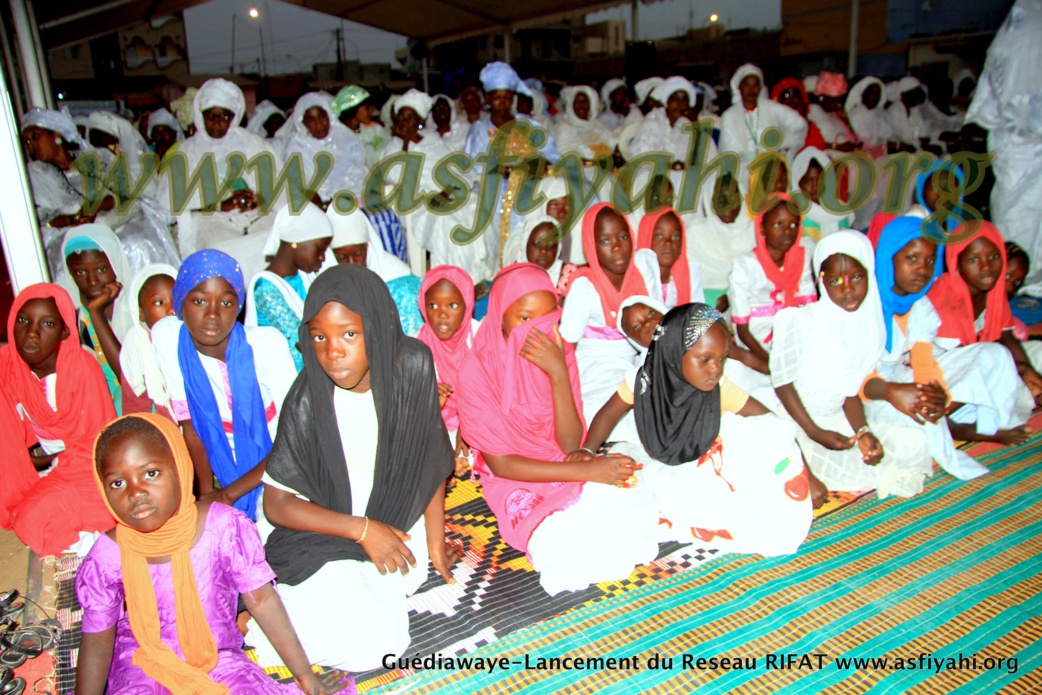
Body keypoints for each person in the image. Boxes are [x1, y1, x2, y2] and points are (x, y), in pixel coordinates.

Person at [252, 265, 458, 670]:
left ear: (376, 327)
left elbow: (430, 457)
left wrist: (436, 543)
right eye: (319, 337)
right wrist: (362, 530)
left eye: (349, 334)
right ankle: (262, 620)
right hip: (326, 522)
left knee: (393, 609)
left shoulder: (412, 365)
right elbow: (276, 504)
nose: (333, 352)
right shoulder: (308, 396)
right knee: (369, 637)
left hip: (397, 511)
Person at [76, 413, 351, 695]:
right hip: (143, 662)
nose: (136, 493)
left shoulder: (222, 528)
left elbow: (263, 600)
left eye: (151, 473)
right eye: (118, 483)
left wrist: (305, 677)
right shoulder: (108, 554)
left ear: (180, 467)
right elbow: (97, 636)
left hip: (217, 659)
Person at [456, 263, 659, 595]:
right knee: (559, 543)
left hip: (560, 458)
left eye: (547, 316)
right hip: (512, 475)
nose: (536, 329)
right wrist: (587, 472)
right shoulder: (476, 371)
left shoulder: (557, 350)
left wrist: (558, 373)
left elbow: (569, 444)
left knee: (635, 509)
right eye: (524, 317)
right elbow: (501, 464)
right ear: (500, 317)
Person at [584, 303, 814, 552]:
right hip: (666, 465)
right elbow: (608, 414)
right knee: (631, 505)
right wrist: (587, 451)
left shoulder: (717, 386)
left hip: (713, 462)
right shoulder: (643, 381)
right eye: (705, 360)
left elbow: (772, 424)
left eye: (722, 359)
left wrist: (807, 475)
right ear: (674, 353)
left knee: (754, 440)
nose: (716, 368)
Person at [771, 231, 931, 498]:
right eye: (835, 281)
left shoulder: (867, 327)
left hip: (836, 420)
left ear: (869, 274)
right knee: (828, 468)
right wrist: (815, 432)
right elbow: (782, 385)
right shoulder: (799, 321)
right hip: (795, 422)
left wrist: (863, 432)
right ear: (821, 281)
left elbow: (849, 390)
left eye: (856, 277)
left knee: (914, 442)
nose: (847, 290)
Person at [865, 217, 1021, 482]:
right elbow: (852, 379)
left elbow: (924, 363)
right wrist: (893, 391)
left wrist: (938, 395)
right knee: (912, 444)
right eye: (912, 258)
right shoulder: (865, 307)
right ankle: (959, 429)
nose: (922, 269)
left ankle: (975, 424)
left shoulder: (921, 307)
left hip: (907, 382)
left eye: (929, 261)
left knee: (995, 354)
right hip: (873, 394)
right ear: (889, 257)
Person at [151, 250, 295, 522]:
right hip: (219, 469)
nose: (213, 315)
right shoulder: (168, 338)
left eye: (226, 303)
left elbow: (294, 438)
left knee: (273, 523)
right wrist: (206, 496)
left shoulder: (266, 345)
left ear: (238, 307)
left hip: (279, 462)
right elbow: (191, 426)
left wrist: (227, 495)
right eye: (199, 301)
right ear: (180, 302)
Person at [0, 284, 116, 556]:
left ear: (65, 332)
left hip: (90, 468)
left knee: (32, 518)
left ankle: (101, 547)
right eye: (23, 320)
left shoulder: (82, 369)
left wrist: (51, 465)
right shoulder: (10, 367)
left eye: (47, 324)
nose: (31, 332)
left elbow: (96, 448)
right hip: (54, 465)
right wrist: (30, 466)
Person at [21, 107, 179, 282]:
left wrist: (95, 208)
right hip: (69, 233)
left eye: (35, 136)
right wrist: (71, 219)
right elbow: (37, 220)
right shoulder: (32, 176)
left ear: (56, 135)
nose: (31, 145)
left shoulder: (99, 158)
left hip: (114, 219)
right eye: (26, 141)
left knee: (138, 242)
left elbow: (124, 194)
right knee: (96, 254)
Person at [162, 79, 283, 281]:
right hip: (212, 217)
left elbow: (278, 185)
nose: (217, 122)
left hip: (255, 214)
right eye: (211, 116)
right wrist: (220, 204)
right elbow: (172, 202)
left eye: (224, 117)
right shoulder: (188, 151)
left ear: (234, 117)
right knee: (219, 250)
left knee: (276, 240)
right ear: (201, 115)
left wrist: (260, 198)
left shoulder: (253, 143)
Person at [928, 221, 1039, 432]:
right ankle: (939, 418)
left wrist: (1028, 371)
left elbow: (1006, 334)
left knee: (1035, 352)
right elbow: (963, 357)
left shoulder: (994, 292)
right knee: (994, 356)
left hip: (977, 363)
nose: (987, 267)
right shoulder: (944, 296)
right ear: (956, 263)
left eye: (994, 257)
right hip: (935, 374)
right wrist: (1019, 370)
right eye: (973, 260)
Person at [966, 1, 1042, 291]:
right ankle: (1009, 273)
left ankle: (1028, 272)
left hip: (1029, 145)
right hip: (1014, 144)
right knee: (1015, 209)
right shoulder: (1016, 40)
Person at [560, 204, 660, 421]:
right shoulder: (584, 287)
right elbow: (567, 347)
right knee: (614, 407)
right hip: (595, 367)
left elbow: (660, 320)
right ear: (591, 245)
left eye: (623, 237)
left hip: (638, 359)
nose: (617, 247)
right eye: (605, 241)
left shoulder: (643, 272)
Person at [465, 62, 561, 271]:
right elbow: (473, 167)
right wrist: (502, 169)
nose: (503, 103)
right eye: (497, 98)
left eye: (507, 97)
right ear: (487, 99)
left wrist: (536, 165)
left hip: (531, 187)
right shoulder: (479, 129)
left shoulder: (530, 125)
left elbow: (553, 156)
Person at [726, 195, 817, 411]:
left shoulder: (802, 259)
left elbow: (810, 311)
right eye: (778, 224)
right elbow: (743, 330)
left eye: (793, 225)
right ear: (763, 228)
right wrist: (770, 361)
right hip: (756, 338)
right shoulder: (745, 266)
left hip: (792, 331)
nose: (787, 231)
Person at [247, 203, 333, 371]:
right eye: (320, 249)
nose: (323, 257)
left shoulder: (305, 277)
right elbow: (300, 340)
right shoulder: (265, 288)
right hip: (287, 374)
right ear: (295, 242)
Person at [61, 225, 133, 414]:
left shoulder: (135, 309)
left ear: (115, 264)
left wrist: (96, 314)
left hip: (135, 403)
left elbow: (129, 380)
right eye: (80, 272)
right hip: (92, 408)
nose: (92, 281)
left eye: (101, 269)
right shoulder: (69, 315)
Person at [417, 265, 480, 478]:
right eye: (433, 305)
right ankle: (449, 460)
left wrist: (467, 426)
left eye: (452, 305)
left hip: (476, 414)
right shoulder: (418, 345)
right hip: (439, 420)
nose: (442, 315)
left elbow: (491, 391)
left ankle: (454, 459)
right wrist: (428, 393)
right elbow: (410, 399)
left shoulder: (480, 338)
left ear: (467, 304)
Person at [325, 204, 425, 335]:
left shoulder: (398, 277)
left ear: (368, 246)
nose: (351, 263)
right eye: (342, 257)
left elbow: (414, 333)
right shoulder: (323, 280)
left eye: (358, 254)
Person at [278, 92, 368, 206]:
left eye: (322, 116)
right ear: (303, 123)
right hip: (322, 207)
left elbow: (360, 172)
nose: (319, 124)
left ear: (329, 115)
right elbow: (302, 188)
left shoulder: (346, 138)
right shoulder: (297, 148)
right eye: (311, 120)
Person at [719, 65, 808, 175]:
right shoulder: (729, 116)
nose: (751, 89)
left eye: (755, 84)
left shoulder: (772, 108)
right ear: (739, 88)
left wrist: (783, 147)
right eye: (747, 85)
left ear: (760, 87)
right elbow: (731, 152)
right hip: (741, 173)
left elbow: (799, 125)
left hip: (773, 169)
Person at [119, 263, 178, 418]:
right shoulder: (137, 344)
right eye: (159, 303)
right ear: (141, 314)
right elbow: (135, 406)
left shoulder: (197, 336)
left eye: (177, 299)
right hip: (165, 425)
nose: (171, 309)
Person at [630, 77, 712, 168]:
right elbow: (641, 157)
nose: (680, 104)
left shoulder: (686, 124)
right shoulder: (652, 123)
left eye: (684, 99)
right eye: (675, 98)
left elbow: (705, 157)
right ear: (666, 101)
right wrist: (668, 166)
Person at [636, 208, 705, 309]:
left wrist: (714, 313)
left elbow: (701, 312)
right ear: (645, 237)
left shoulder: (689, 274)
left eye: (676, 237)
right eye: (659, 236)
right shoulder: (632, 277)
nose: (668, 242)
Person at [791, 147, 853, 243]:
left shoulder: (841, 212)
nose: (815, 186)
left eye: (821, 180)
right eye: (809, 181)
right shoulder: (793, 212)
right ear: (797, 183)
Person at [554, 85, 616, 162]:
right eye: (577, 101)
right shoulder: (564, 126)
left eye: (585, 101)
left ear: (591, 104)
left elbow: (611, 141)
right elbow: (565, 154)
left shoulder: (598, 124)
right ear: (571, 104)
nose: (581, 104)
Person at [331, 85, 387, 167]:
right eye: (367, 108)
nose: (371, 111)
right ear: (353, 108)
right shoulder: (335, 135)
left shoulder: (375, 130)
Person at [502, 215, 566, 288]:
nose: (544, 250)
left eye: (551, 245)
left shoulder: (567, 278)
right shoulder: (511, 277)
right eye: (537, 243)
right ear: (524, 244)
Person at [806, 72, 861, 151]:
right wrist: (837, 147)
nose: (836, 103)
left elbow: (854, 139)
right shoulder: (812, 111)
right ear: (822, 97)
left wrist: (845, 119)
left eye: (838, 100)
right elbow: (809, 143)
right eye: (833, 100)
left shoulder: (834, 114)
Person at [770, 78, 827, 151]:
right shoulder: (773, 127)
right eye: (786, 95)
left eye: (795, 94)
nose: (791, 99)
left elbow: (818, 146)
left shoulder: (810, 126)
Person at [845, 77, 894, 158]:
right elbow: (864, 141)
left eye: (878, 93)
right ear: (863, 95)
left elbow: (888, 134)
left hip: (880, 154)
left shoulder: (880, 113)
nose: (875, 96)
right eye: (872, 93)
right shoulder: (855, 114)